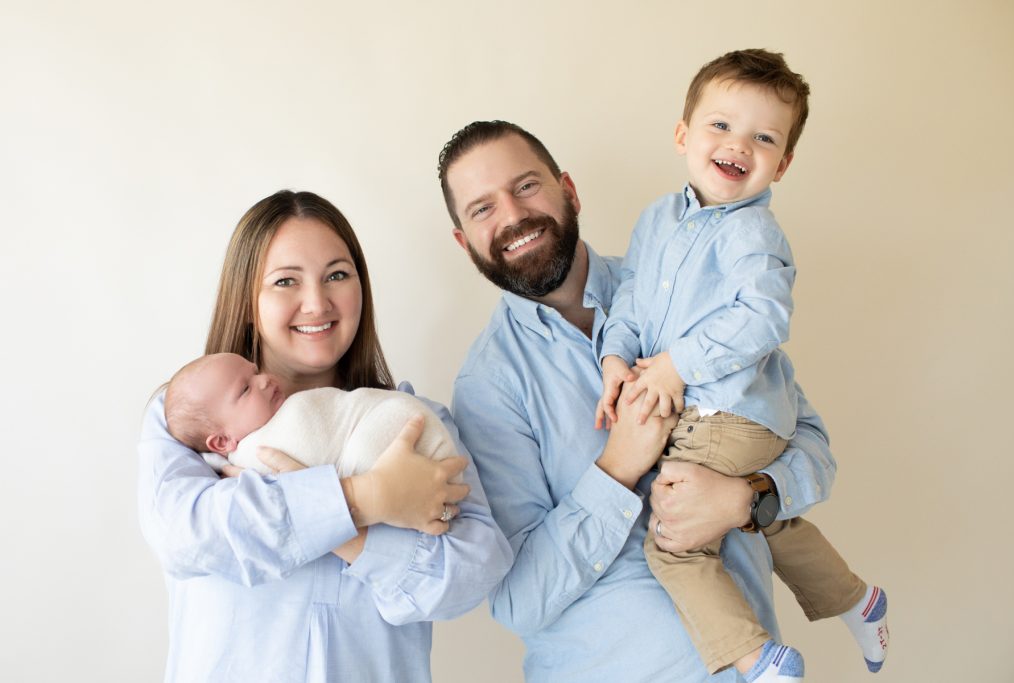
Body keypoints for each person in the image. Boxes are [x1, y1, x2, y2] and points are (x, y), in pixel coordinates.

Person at [437, 120, 836, 683]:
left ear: (568, 190)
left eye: (526, 185)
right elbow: (516, 602)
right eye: (481, 208)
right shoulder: (487, 388)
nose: (511, 214)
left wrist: (748, 500)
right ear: (464, 241)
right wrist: (618, 466)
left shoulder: (692, 290)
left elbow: (812, 447)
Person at [595, 50, 887, 681]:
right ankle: (858, 600)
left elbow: (763, 319)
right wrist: (616, 355)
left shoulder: (752, 233)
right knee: (763, 521)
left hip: (728, 413)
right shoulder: (657, 220)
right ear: (682, 135)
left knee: (675, 539)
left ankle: (758, 660)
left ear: (782, 163)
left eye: (763, 137)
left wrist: (673, 366)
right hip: (721, 415)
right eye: (721, 125)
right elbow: (630, 295)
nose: (738, 145)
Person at [138, 190, 512, 682]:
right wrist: (366, 499)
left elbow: (474, 570)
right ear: (248, 301)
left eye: (337, 275)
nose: (316, 303)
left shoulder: (412, 423)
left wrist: (355, 541)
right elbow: (189, 537)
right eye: (285, 281)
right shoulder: (185, 415)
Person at [164, 351, 460, 489]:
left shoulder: (288, 421)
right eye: (245, 389)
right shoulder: (253, 444)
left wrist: (224, 466)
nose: (264, 381)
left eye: (255, 373)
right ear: (220, 441)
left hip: (408, 428)